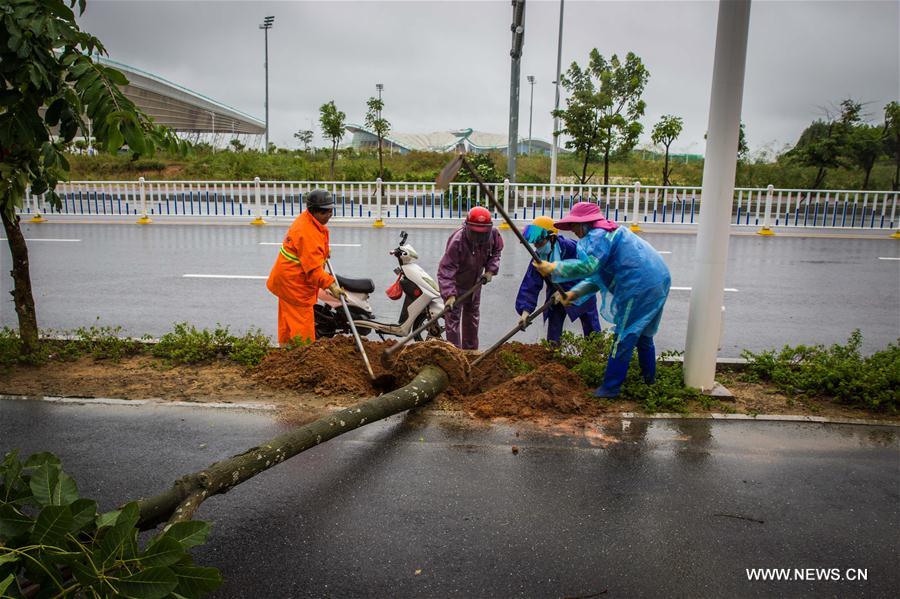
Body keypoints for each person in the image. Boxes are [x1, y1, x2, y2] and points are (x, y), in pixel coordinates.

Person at [534, 202, 671, 398]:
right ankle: (649, 382)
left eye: (574, 225)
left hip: (638, 286)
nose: (573, 230)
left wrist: (554, 268)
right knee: (644, 334)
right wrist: (574, 294)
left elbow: (589, 267)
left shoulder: (597, 236)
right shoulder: (608, 233)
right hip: (657, 280)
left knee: (623, 336)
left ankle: (610, 388)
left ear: (585, 223)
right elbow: (597, 278)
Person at [266, 189, 345, 345]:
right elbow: (314, 271)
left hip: (286, 282)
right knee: (302, 331)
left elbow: (311, 249)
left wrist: (324, 251)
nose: (329, 215)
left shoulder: (308, 221)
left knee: (288, 324)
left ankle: (286, 351)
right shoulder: (307, 232)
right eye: (324, 212)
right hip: (294, 287)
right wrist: (332, 286)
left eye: (330, 210)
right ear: (313, 211)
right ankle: (302, 356)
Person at [516, 216, 601, 343]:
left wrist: (566, 291)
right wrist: (525, 312)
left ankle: (595, 351)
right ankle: (553, 352)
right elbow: (530, 284)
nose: (537, 246)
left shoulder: (570, 247)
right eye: (535, 243)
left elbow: (584, 272)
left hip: (581, 291)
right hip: (555, 292)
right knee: (554, 329)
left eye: (540, 242)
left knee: (591, 328)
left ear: (552, 238)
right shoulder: (538, 257)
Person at [437, 206, 504, 349]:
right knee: (453, 320)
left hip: (475, 284)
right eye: (475, 233)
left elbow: (496, 251)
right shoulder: (457, 241)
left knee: (472, 318)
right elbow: (446, 269)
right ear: (467, 227)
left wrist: (491, 270)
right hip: (456, 285)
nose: (478, 237)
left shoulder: (493, 235)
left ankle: (471, 352)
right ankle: (454, 353)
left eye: (482, 234)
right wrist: (449, 295)